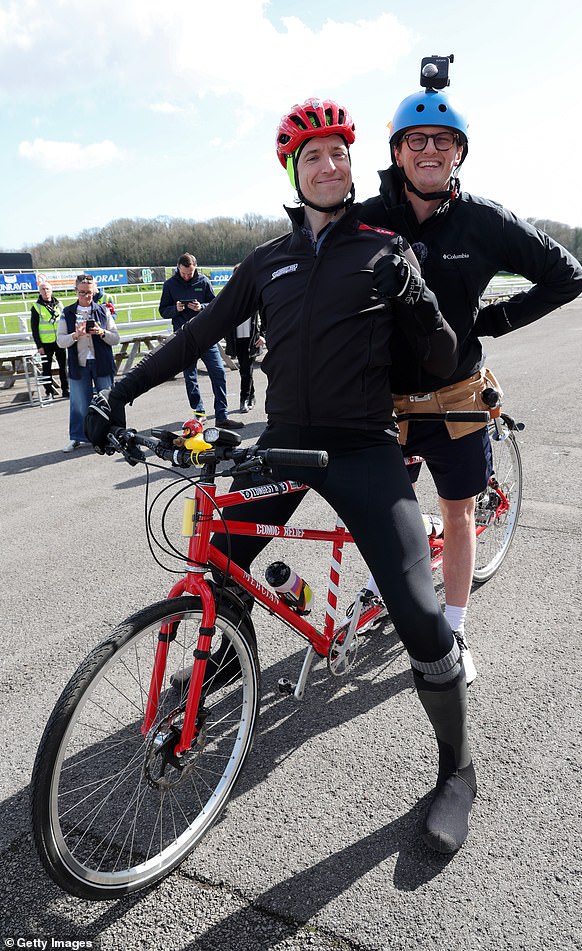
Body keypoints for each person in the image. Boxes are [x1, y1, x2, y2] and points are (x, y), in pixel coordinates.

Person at [85, 97, 479, 854]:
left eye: (338, 153)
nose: (328, 165)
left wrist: (418, 293)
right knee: (221, 556)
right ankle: (225, 657)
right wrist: (117, 393)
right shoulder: (269, 261)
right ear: (293, 173)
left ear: (353, 165)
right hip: (285, 444)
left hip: (363, 451)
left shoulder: (384, 247)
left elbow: (438, 356)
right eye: (312, 157)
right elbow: (197, 333)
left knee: (425, 621)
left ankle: (458, 770)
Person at [359, 65, 582, 683]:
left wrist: (496, 320)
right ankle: (399, 587)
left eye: (443, 140)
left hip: (458, 393)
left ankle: (451, 630)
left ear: (459, 152)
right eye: (416, 139)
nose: (429, 150)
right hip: (387, 400)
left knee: (459, 512)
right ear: (397, 150)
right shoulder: (367, 217)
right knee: (384, 512)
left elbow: (568, 277)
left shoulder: (484, 220)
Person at [159, 252, 243, 429]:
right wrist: (175, 309)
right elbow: (163, 310)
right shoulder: (170, 284)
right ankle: (199, 413)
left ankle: (222, 415)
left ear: (195, 267)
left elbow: (215, 305)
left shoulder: (203, 281)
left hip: (206, 335)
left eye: (190, 273)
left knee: (219, 373)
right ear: (178, 268)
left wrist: (201, 307)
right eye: (183, 273)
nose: (187, 276)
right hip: (184, 337)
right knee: (190, 377)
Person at [57, 273, 120, 452]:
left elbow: (115, 338)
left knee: (108, 400)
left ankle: (111, 434)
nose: (86, 296)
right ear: (76, 291)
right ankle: (77, 437)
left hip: (102, 363)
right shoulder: (67, 312)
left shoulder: (103, 310)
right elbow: (61, 341)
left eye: (90, 293)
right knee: (79, 402)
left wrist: (101, 332)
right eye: (82, 292)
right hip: (79, 364)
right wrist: (76, 335)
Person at [225, 264, 265, 413]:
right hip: (236, 339)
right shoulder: (229, 295)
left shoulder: (256, 293)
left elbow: (265, 314)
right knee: (245, 370)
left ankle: (244, 399)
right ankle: (252, 396)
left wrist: (263, 335)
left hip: (252, 338)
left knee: (246, 370)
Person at [30, 280, 69, 398]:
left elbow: (65, 322)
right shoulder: (36, 307)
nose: (45, 291)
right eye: (43, 289)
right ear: (39, 292)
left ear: (51, 291)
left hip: (59, 341)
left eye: (47, 289)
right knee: (46, 369)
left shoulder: (59, 305)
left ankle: (65, 390)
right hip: (45, 343)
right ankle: (49, 391)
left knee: (63, 367)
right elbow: (34, 329)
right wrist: (39, 346)